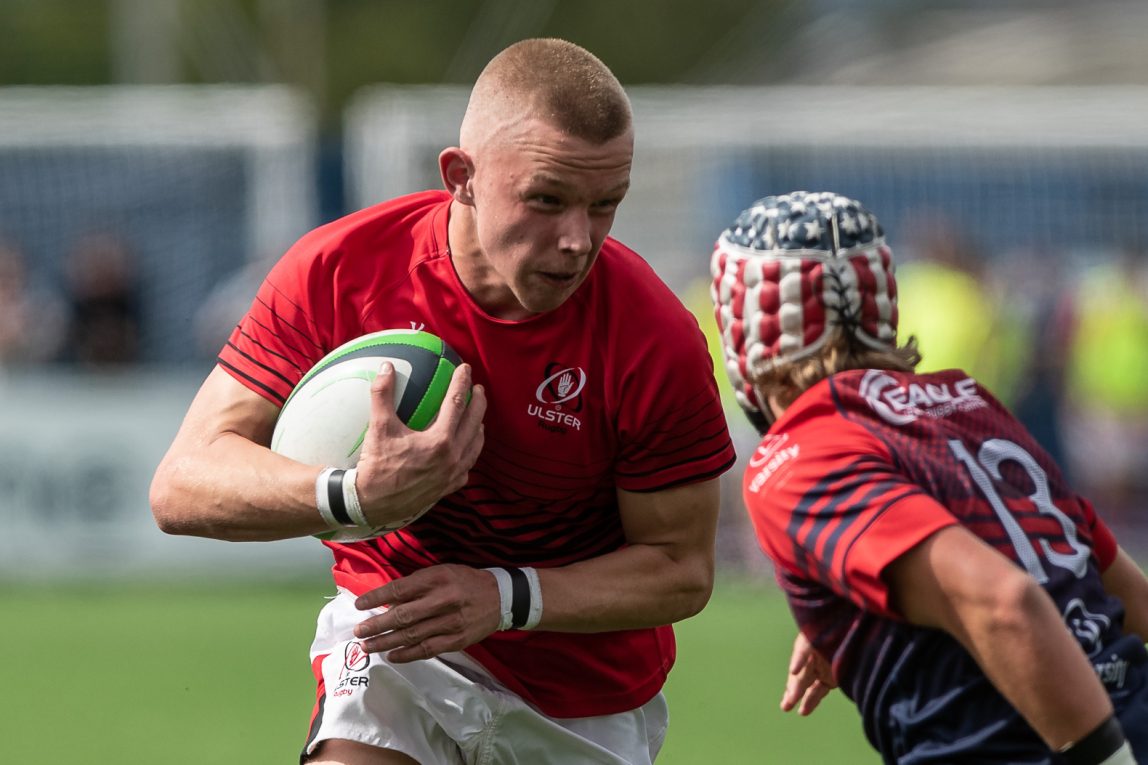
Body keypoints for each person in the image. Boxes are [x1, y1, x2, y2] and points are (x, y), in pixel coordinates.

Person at [150, 38, 735, 765]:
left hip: (583, 696)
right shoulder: (341, 272)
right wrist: (353, 492)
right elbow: (183, 482)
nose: (577, 241)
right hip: (398, 649)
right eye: (547, 200)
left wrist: (503, 596)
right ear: (461, 177)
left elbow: (681, 567)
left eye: (605, 205)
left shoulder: (655, 337)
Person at [708, 191, 1148, 764]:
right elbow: (1112, 585)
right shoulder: (967, 401)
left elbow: (1005, 602)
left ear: (748, 330)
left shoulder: (796, 454)